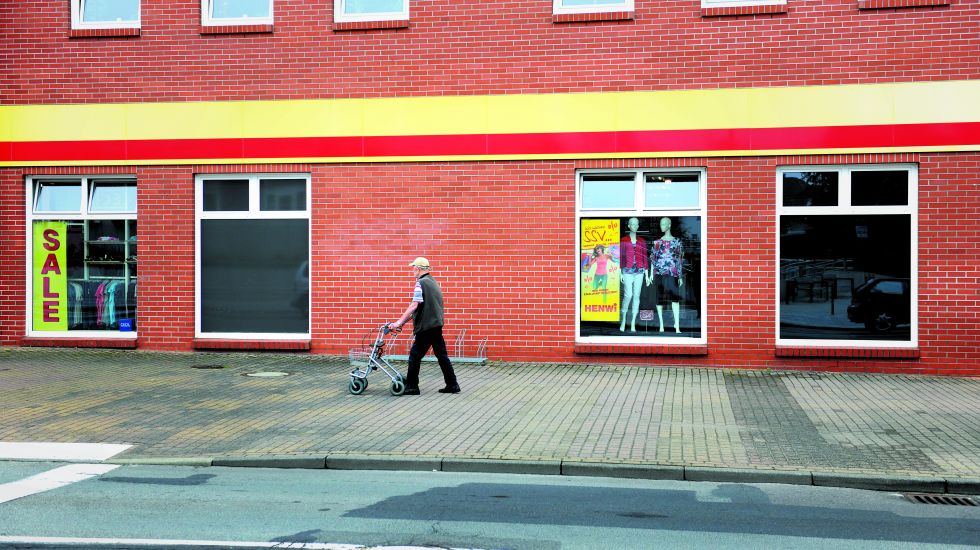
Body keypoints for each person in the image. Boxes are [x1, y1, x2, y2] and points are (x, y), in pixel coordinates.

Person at [388, 257, 460, 395]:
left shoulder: (420, 283)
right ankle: (452, 384)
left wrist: (397, 322)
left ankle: (412, 387)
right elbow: (419, 308)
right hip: (436, 325)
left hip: (426, 327)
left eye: (413, 268)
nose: (412, 270)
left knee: (415, 356)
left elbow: (414, 305)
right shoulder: (433, 282)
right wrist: (402, 322)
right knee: (442, 356)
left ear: (418, 268)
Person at [647, 216, 684, 333]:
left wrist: (680, 275)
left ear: (669, 225)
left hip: (673, 273)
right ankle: (661, 325)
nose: (661, 226)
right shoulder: (657, 242)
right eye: (661, 224)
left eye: (664, 224)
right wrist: (651, 274)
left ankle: (677, 325)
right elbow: (653, 257)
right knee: (660, 299)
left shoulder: (677, 242)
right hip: (659, 272)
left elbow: (680, 259)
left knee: (675, 299)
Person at [619, 217, 648, 332]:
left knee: (636, 296)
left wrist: (646, 273)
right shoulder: (624, 240)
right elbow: (621, 256)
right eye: (632, 224)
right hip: (627, 270)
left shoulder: (642, 241)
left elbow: (645, 256)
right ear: (629, 226)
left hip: (639, 271)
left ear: (638, 226)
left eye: (636, 224)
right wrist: (620, 271)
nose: (634, 226)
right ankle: (623, 319)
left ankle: (632, 323)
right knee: (628, 295)